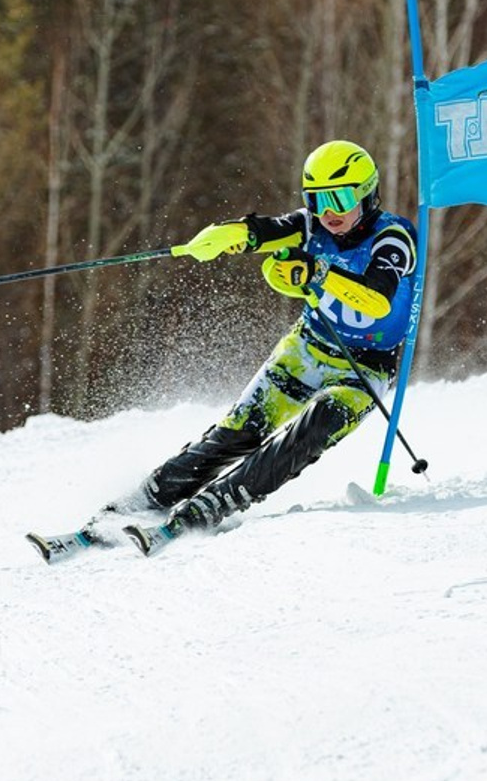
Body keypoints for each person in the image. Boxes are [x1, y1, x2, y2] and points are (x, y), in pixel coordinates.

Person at [33, 140, 418, 560]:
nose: (329, 211)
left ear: (367, 194)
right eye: (317, 198)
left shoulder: (393, 238)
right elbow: (265, 231)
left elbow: (378, 299)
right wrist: (226, 236)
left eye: (340, 197)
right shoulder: (313, 227)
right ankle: (138, 504)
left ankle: (214, 504)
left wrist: (317, 271)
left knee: (309, 431)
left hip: (364, 369)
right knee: (240, 429)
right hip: (308, 349)